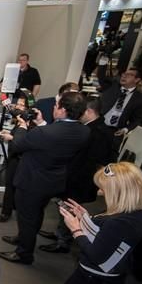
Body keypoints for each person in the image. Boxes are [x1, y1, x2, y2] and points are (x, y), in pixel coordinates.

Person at [0, 92, 90, 265]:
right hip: (53, 180)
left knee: (26, 216)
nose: (54, 108)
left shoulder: (46, 133)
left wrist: (23, 126)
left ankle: (24, 253)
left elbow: (17, 145)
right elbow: (53, 140)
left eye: (56, 106)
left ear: (62, 110)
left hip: (31, 180)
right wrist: (41, 123)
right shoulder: (84, 132)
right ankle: (23, 238)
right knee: (37, 212)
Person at [39, 97, 115, 253]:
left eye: (82, 111)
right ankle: (60, 233)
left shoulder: (98, 132)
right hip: (74, 176)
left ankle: (63, 241)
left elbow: (95, 160)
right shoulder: (90, 128)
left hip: (81, 180)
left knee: (71, 208)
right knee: (65, 207)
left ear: (89, 111)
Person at [0, 93, 35, 223]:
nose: (17, 106)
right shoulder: (19, 120)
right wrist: (8, 133)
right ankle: (9, 203)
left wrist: (11, 138)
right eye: (17, 103)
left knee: (11, 183)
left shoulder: (30, 123)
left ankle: (6, 212)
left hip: (19, 158)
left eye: (21, 105)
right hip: (15, 156)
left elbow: (25, 141)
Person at [99, 68, 142, 157]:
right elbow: (101, 77)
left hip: (116, 132)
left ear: (137, 79)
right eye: (124, 73)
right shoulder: (112, 86)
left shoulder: (140, 98)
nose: (124, 76)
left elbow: (137, 119)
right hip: (99, 125)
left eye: (130, 75)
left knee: (107, 158)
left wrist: (126, 129)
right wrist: (103, 61)